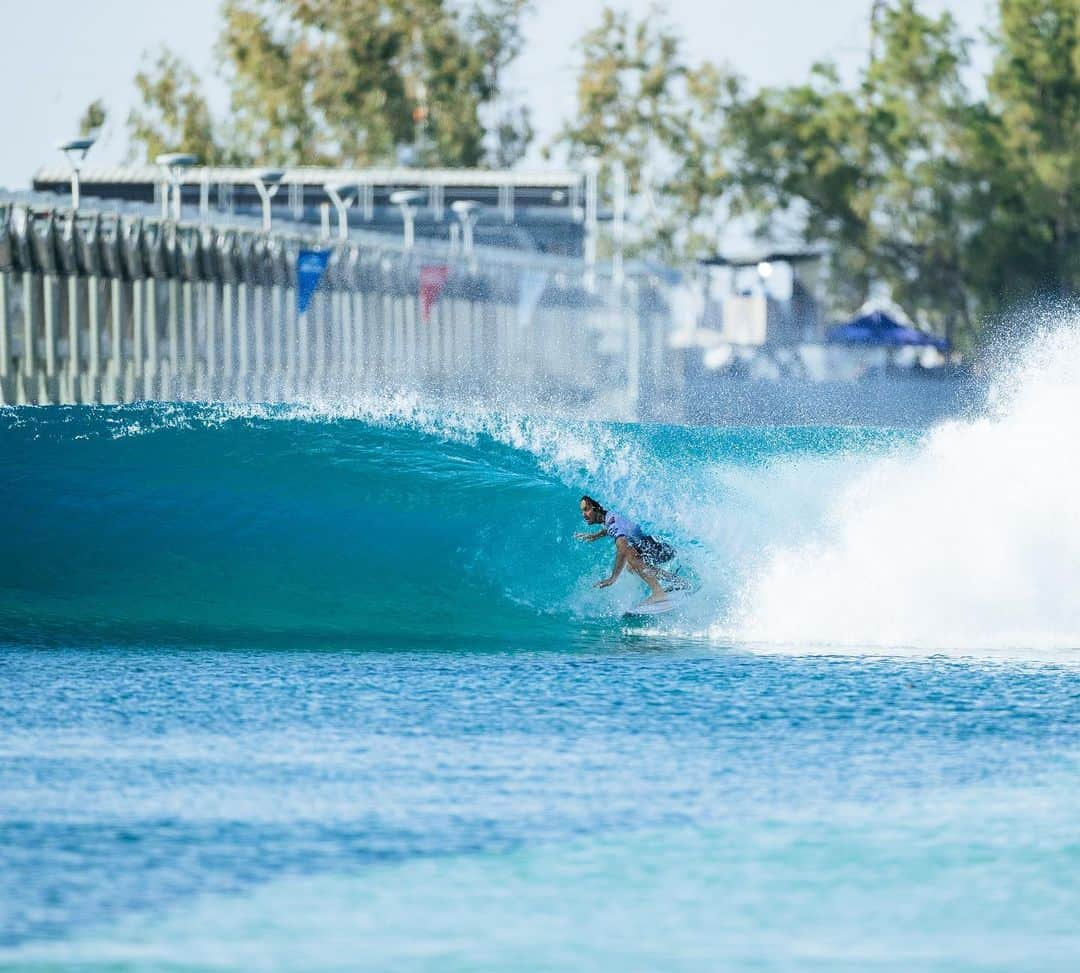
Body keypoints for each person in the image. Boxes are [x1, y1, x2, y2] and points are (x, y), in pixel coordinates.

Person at [575, 495, 679, 604]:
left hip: (660, 549)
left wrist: (612, 578)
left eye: (586, 510)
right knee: (631, 566)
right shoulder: (608, 517)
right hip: (659, 546)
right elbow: (611, 529)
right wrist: (596, 535)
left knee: (629, 554)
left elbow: (622, 549)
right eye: (582, 511)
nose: (584, 515)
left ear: (595, 508)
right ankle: (675, 580)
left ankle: (658, 593)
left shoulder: (612, 524)